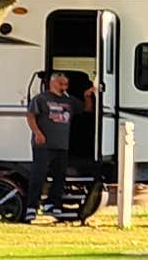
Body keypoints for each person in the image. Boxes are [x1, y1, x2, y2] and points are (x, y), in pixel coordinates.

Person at [18, 64, 92, 221]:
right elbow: (30, 116)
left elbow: (86, 110)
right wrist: (37, 133)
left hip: (62, 145)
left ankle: (52, 204)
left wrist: (87, 96)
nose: (64, 87)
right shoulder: (41, 99)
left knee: (60, 176)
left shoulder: (69, 101)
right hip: (43, 145)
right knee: (39, 175)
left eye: (66, 84)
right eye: (61, 84)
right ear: (52, 83)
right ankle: (31, 207)